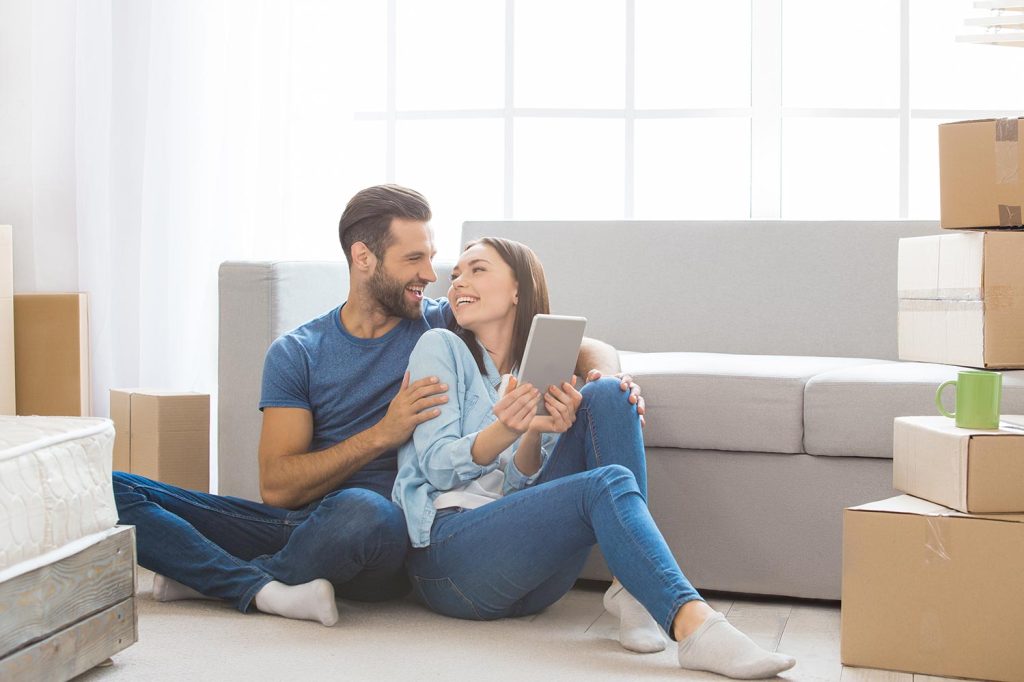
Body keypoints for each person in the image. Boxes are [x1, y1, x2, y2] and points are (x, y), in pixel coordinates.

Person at [112, 184, 639, 626]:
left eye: (432, 258)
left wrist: (608, 378)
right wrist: (382, 434)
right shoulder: (299, 352)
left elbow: (561, 336)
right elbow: (278, 486)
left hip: (388, 533)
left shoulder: (440, 323)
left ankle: (211, 574)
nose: (433, 276)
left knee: (366, 511)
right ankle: (252, 582)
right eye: (414, 260)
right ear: (363, 258)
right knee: (108, 487)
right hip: (311, 526)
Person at [392, 237, 797, 679]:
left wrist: (533, 432)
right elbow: (433, 463)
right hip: (451, 563)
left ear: (518, 290)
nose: (458, 283)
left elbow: (516, 492)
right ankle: (693, 624)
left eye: (478, 270)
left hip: (531, 577)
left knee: (608, 393)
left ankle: (631, 588)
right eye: (456, 275)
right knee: (606, 481)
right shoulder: (441, 346)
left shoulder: (538, 369)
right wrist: (505, 428)